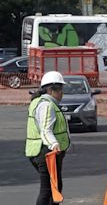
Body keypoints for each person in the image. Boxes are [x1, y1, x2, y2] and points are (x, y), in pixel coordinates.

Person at [25, 71, 70, 205]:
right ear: (51, 90)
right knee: (48, 190)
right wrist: (54, 144)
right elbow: (45, 130)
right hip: (45, 152)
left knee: (54, 187)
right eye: (60, 89)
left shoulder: (43, 102)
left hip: (43, 151)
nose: (62, 93)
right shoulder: (46, 105)